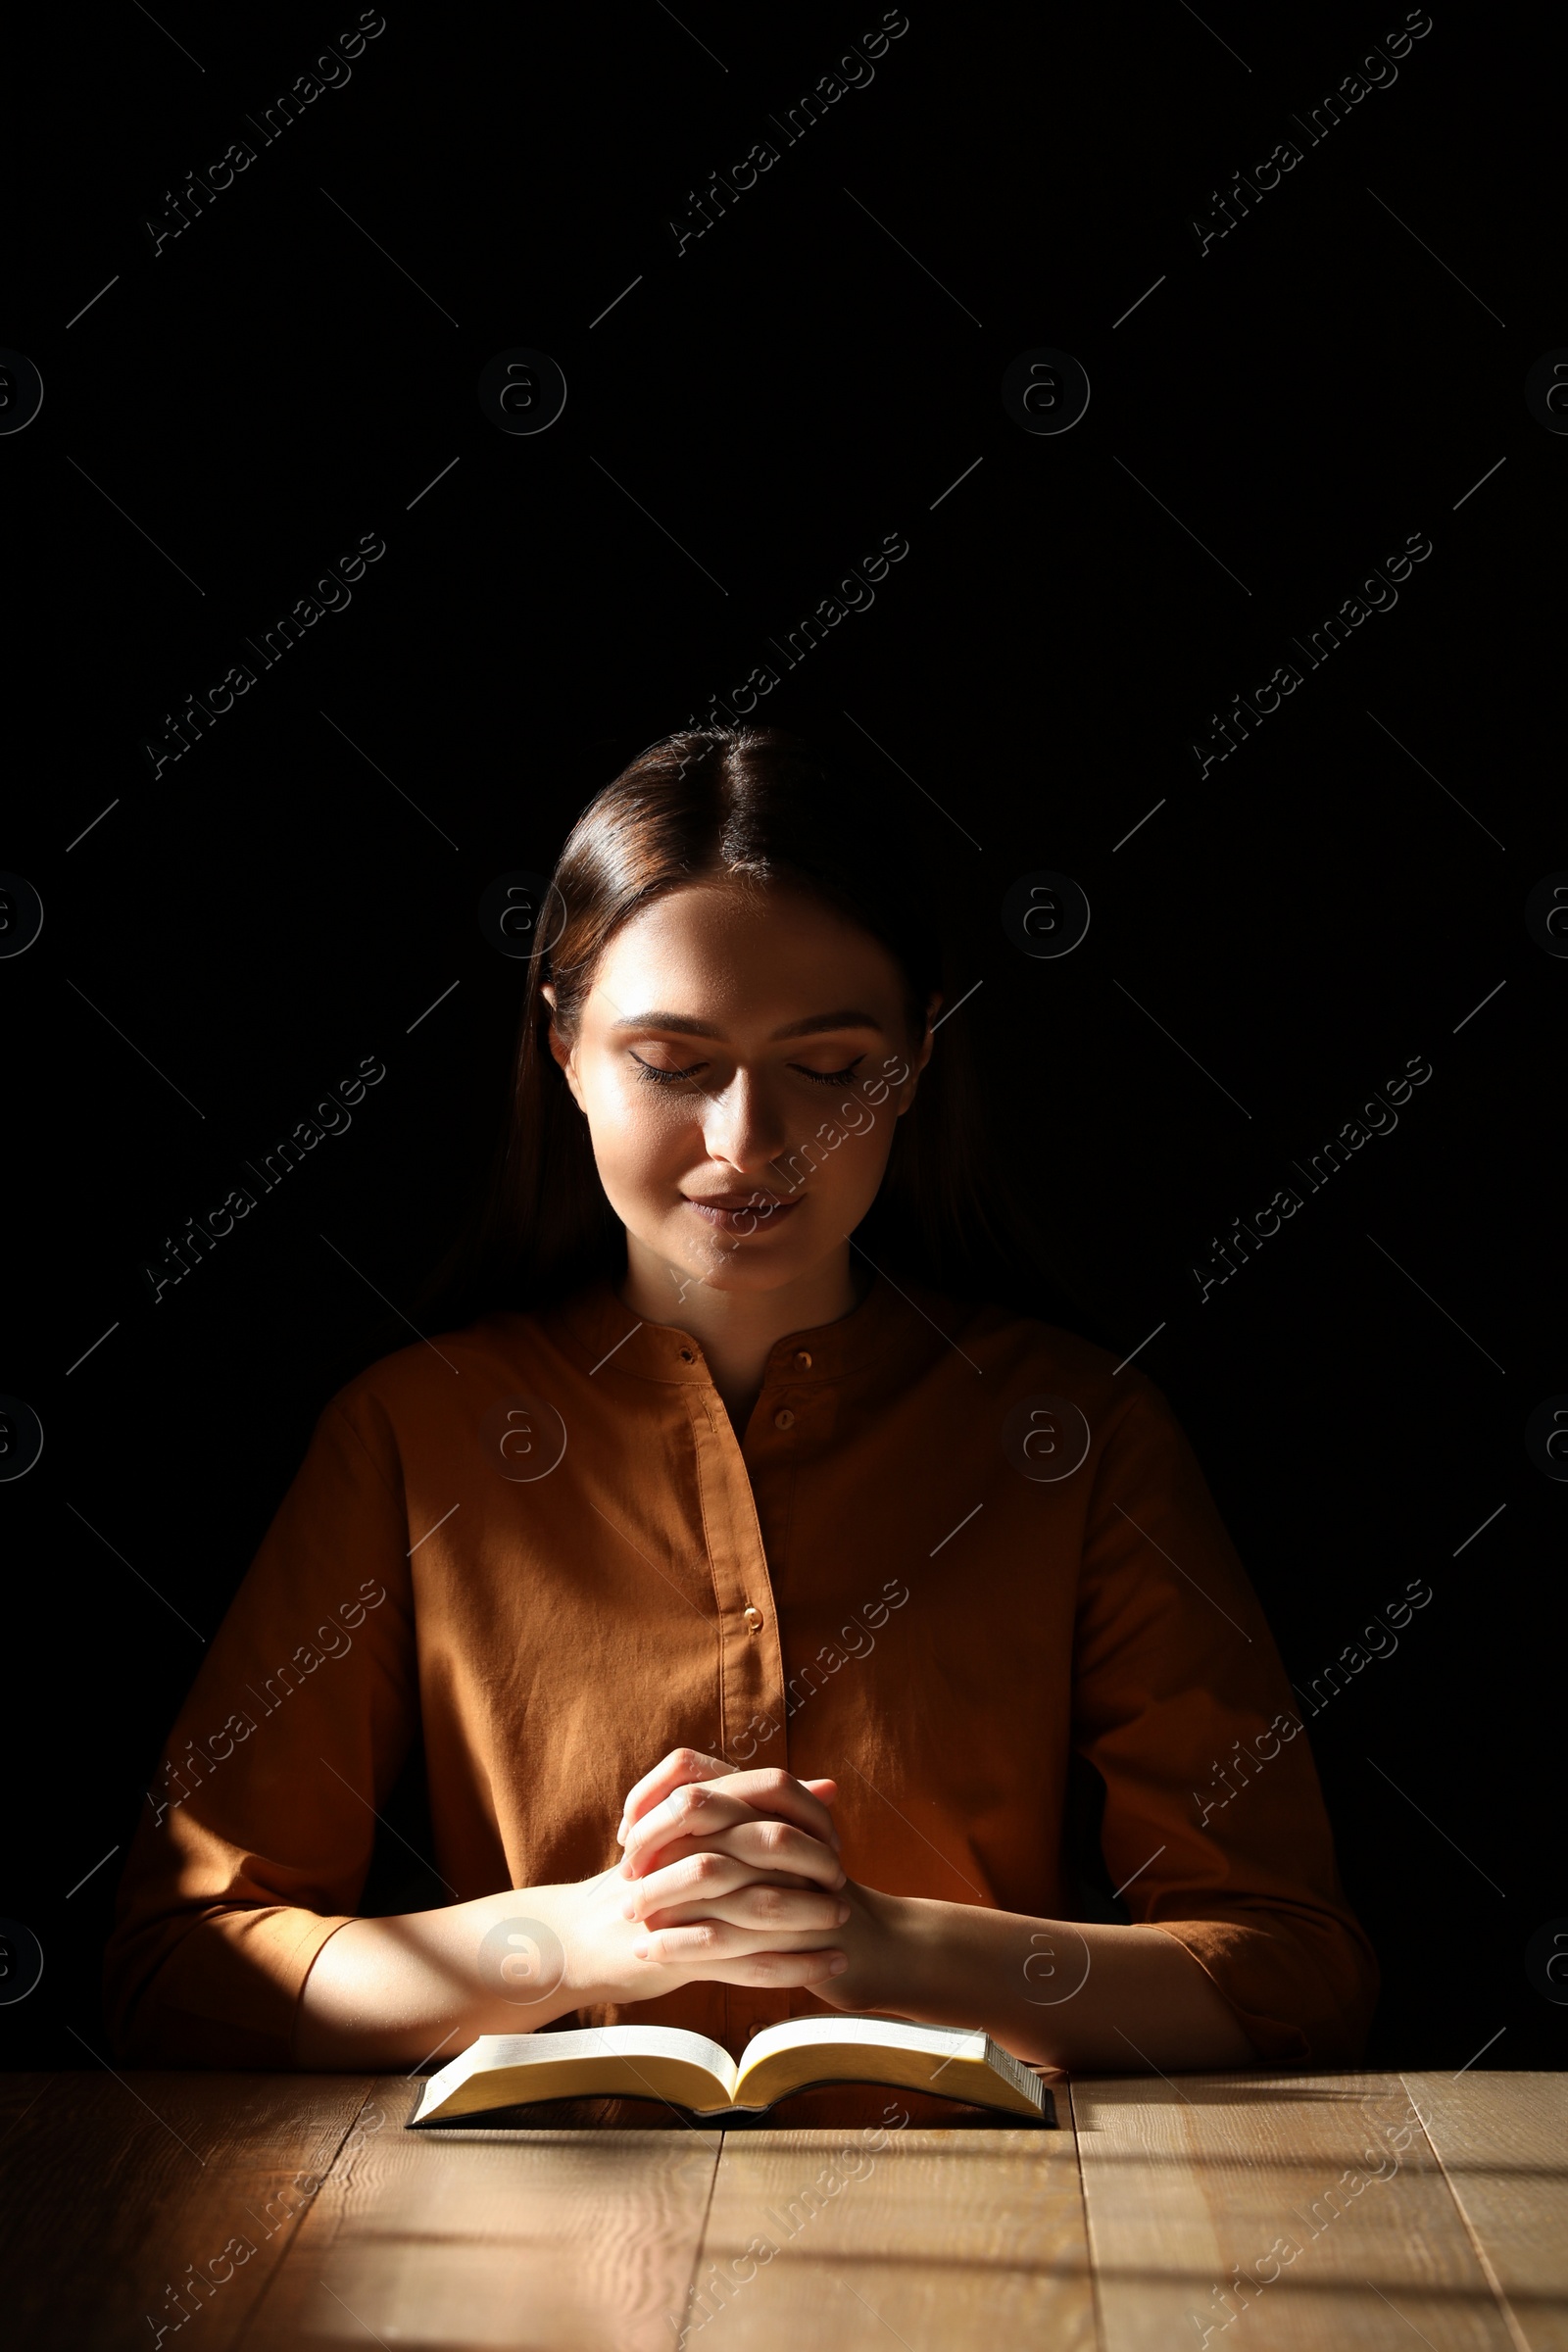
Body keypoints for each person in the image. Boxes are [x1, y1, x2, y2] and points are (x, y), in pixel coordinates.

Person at [104, 725, 1377, 2084]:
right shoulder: (412, 1434)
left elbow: (1291, 1972)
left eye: (829, 1068)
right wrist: (587, 1939)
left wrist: (884, 1948)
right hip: (537, 2263)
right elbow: (184, 1970)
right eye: (673, 1060)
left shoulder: (1079, 1435)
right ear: (564, 1049)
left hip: (992, 2261)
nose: (748, 1143)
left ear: (917, 1059)